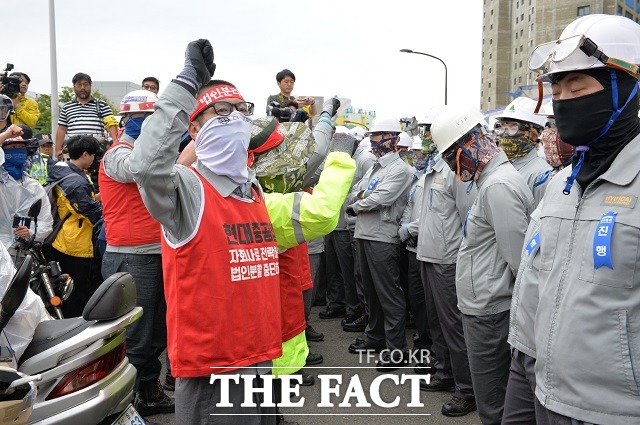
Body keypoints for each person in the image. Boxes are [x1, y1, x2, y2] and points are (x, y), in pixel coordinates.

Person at [128, 40, 355, 424]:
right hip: (214, 370)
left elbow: (316, 209)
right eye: (221, 110)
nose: (234, 117)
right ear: (194, 127)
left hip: (261, 360)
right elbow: (147, 167)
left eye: (241, 109)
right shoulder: (187, 190)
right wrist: (185, 83)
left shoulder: (253, 193)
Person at [526, 14, 640, 425]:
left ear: (625, 89)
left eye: (577, 85)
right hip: (545, 394)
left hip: (616, 412)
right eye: (556, 87)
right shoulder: (561, 183)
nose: (563, 98)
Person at [431, 105, 533, 425]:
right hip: (485, 306)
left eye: (452, 157)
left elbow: (520, 262)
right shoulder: (490, 182)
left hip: (491, 311)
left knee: (494, 406)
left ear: (470, 145)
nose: (451, 167)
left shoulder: (498, 186)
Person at [98, 89, 174, 417]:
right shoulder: (118, 154)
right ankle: (125, 404)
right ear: (127, 120)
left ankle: (148, 390)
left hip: (154, 253)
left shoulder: (146, 152)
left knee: (157, 331)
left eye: (152, 120)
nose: (148, 126)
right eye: (142, 119)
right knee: (137, 336)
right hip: (131, 255)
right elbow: (139, 169)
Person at [414, 106, 478, 417]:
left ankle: (466, 389)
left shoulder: (456, 171)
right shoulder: (430, 169)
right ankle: (444, 372)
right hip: (427, 255)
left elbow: (469, 220)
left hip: (448, 261)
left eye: (428, 132)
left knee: (453, 327)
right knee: (436, 323)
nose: (424, 137)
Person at [346, 116, 413, 371]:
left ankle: (397, 350)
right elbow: (358, 192)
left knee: (388, 294)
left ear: (393, 139)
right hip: (364, 233)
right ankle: (375, 336)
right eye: (373, 137)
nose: (374, 141)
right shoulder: (375, 167)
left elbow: (380, 199)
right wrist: (361, 199)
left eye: (379, 136)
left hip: (383, 237)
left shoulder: (400, 169)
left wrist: (356, 205)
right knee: (370, 292)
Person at [46, 135, 103, 318]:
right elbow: (88, 211)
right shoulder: (76, 182)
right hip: (75, 244)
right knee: (76, 293)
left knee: (65, 288)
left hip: (63, 239)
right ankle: (75, 326)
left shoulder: (62, 170)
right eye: (93, 155)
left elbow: (78, 202)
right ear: (85, 154)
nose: (94, 159)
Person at [340, 126, 376, 333]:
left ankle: (367, 316)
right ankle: (362, 314)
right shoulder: (362, 160)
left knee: (364, 276)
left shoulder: (367, 160)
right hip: (355, 224)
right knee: (357, 274)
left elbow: (368, 195)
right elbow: (356, 191)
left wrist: (356, 203)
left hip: (364, 227)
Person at [0, 125, 53, 254]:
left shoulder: (32, 185)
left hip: (24, 252)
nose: (18, 150)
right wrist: (6, 135)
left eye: (21, 147)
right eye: (12, 147)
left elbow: (45, 221)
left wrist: (31, 232)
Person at [493, 97, 551, 208]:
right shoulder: (502, 167)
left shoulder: (541, 175)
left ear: (533, 135)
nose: (505, 133)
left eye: (513, 128)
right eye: (502, 127)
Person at [55, 73, 119, 157]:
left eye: (85, 84)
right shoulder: (67, 107)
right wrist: (58, 150)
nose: (82, 88)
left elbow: (112, 125)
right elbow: (62, 129)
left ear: (90, 86)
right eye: (79, 85)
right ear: (74, 86)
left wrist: (115, 145)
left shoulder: (101, 105)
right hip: (73, 151)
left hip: (95, 151)